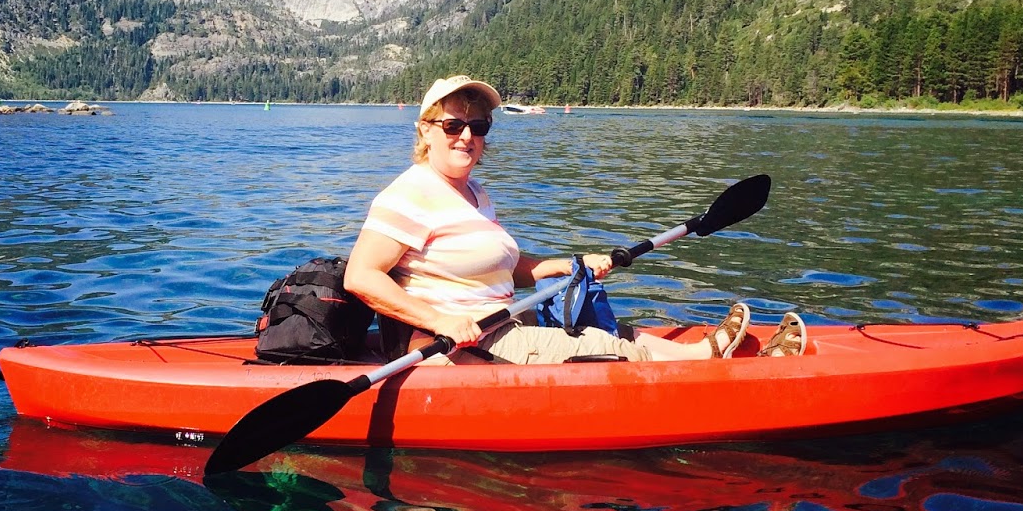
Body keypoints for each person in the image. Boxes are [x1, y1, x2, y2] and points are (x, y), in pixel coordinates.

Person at [344, 75, 806, 364]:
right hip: (464, 346)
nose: (467, 136)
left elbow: (509, 267)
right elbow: (361, 277)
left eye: (479, 126)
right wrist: (438, 321)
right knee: (604, 353)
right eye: (453, 125)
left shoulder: (473, 193)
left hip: (503, 323)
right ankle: (712, 363)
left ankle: (692, 354)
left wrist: (571, 263)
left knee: (602, 328)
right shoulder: (409, 194)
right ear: (426, 128)